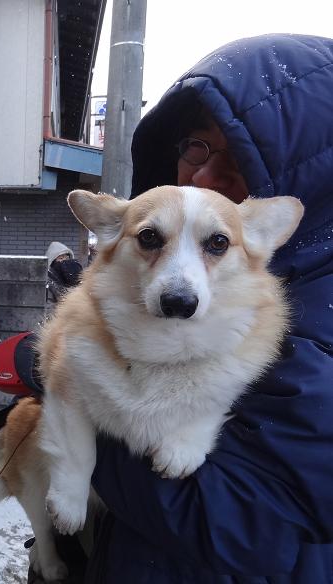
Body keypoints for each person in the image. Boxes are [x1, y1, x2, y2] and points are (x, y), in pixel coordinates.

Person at [80, 33, 333, 582]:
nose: (203, 177)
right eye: (196, 145)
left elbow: (239, 526)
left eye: (244, 155)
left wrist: (57, 389)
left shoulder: (315, 325)